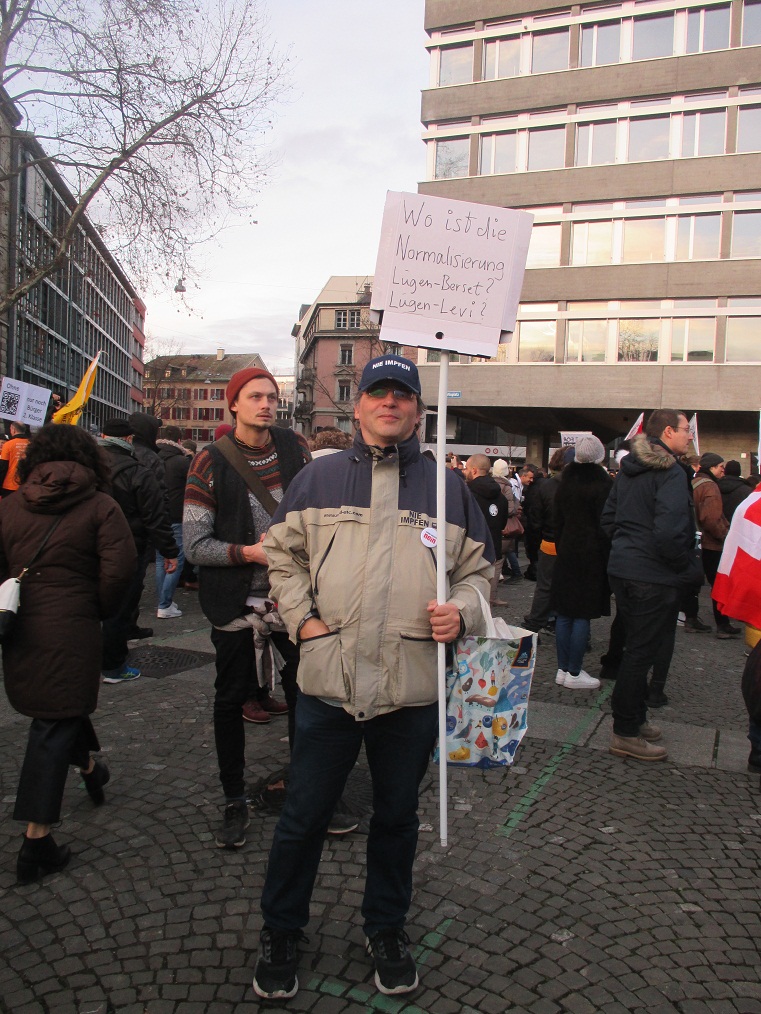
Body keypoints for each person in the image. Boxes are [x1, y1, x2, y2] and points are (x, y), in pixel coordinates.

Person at [252, 354, 493, 1002]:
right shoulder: (319, 477)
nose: (390, 402)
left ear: (417, 409)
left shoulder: (448, 490)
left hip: (410, 689)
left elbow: (479, 575)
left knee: (395, 818)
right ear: (357, 405)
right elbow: (282, 556)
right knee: (302, 817)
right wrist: (302, 622)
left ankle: (385, 928)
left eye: (402, 393)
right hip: (328, 686)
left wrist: (463, 609)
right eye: (377, 391)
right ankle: (281, 929)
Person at [0, 424, 135, 883]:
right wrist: (92, 609)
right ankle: (36, 842)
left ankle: (92, 769)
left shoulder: (10, 506)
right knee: (53, 722)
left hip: (22, 628)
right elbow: (119, 573)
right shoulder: (101, 505)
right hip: (73, 626)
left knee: (58, 707)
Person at [183, 367, 310, 849]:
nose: (266, 404)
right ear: (233, 404)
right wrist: (250, 553)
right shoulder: (208, 462)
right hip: (236, 601)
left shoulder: (295, 448)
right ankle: (233, 798)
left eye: (272, 396)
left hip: (295, 597)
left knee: (308, 694)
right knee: (230, 697)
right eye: (255, 396)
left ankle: (307, 787)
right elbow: (195, 546)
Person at [601, 409, 702, 761]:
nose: (690, 436)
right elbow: (673, 532)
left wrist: (628, 549)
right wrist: (684, 567)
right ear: (669, 432)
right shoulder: (670, 472)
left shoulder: (630, 470)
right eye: (686, 429)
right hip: (652, 575)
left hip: (626, 570)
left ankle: (636, 718)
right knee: (640, 652)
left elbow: (610, 520)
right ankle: (625, 731)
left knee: (636, 647)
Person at [99, 419, 179, 681]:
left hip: (92, 546)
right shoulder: (138, 470)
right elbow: (155, 513)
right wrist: (168, 551)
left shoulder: (88, 465)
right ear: (129, 439)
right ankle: (113, 666)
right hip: (128, 546)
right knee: (119, 607)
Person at [550, 436, 611, 690]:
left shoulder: (565, 481)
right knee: (582, 614)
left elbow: (556, 519)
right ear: (600, 456)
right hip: (591, 555)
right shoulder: (604, 484)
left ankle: (562, 669)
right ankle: (574, 671)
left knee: (564, 614)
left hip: (566, 552)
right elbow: (606, 523)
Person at [692, 452, 740, 639]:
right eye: (721, 466)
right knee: (719, 584)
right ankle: (723, 624)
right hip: (712, 544)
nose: (723, 470)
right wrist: (724, 535)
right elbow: (711, 518)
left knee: (697, 582)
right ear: (712, 467)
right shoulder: (710, 486)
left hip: (697, 541)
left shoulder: (694, 482)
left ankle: (691, 617)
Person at [523, 447, 569, 634]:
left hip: (550, 543)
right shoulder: (587, 486)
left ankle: (534, 625)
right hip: (575, 546)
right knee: (569, 588)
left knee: (545, 588)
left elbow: (536, 521)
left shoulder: (547, 487)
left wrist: (534, 550)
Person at [463, 453, 509, 605]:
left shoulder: (466, 494)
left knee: (470, 598)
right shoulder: (501, 496)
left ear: (474, 470)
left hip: (471, 552)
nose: (464, 471)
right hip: (493, 549)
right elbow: (502, 523)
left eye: (466, 468)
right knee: (487, 597)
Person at [155, 425, 190, 619]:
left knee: (161, 559)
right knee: (177, 558)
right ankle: (164, 603)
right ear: (179, 441)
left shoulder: (154, 458)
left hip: (157, 516)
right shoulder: (181, 462)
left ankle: (163, 600)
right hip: (176, 514)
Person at [717, 459, 752, 524]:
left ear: (725, 471)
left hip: (718, 526)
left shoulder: (714, 486)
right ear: (739, 472)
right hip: (739, 526)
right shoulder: (747, 490)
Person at [0, 422, 30, 497]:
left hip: (9, 485)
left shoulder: (8, 445)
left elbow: (3, 467)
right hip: (26, 484)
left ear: (13, 430)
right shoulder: (31, 444)